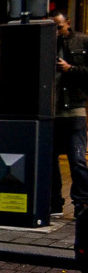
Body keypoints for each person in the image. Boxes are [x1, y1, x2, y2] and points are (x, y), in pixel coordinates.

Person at [51, 12, 88, 218]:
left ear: (68, 24)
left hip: (74, 109)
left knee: (77, 159)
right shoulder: (46, 43)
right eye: (53, 27)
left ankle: (81, 203)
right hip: (52, 112)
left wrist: (70, 68)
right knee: (49, 160)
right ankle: (54, 203)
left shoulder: (82, 41)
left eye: (59, 26)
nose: (57, 31)